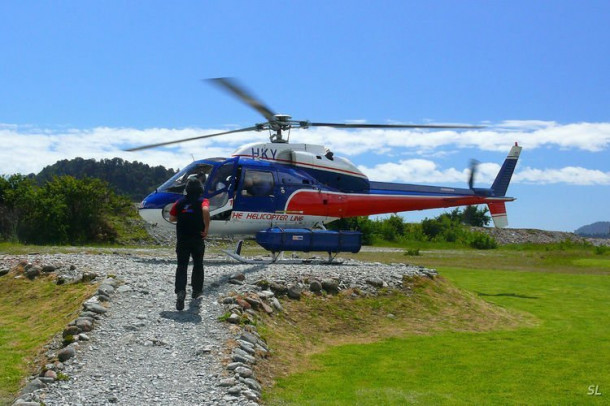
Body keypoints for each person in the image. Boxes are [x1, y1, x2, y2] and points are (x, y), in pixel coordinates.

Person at [169, 179, 210, 311]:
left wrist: (182, 217)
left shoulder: (180, 202)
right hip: (197, 238)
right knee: (198, 264)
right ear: (200, 189)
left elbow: (171, 217)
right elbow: (205, 210)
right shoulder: (203, 201)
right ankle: (196, 292)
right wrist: (206, 228)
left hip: (182, 239)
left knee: (182, 266)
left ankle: (181, 291)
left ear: (187, 189)